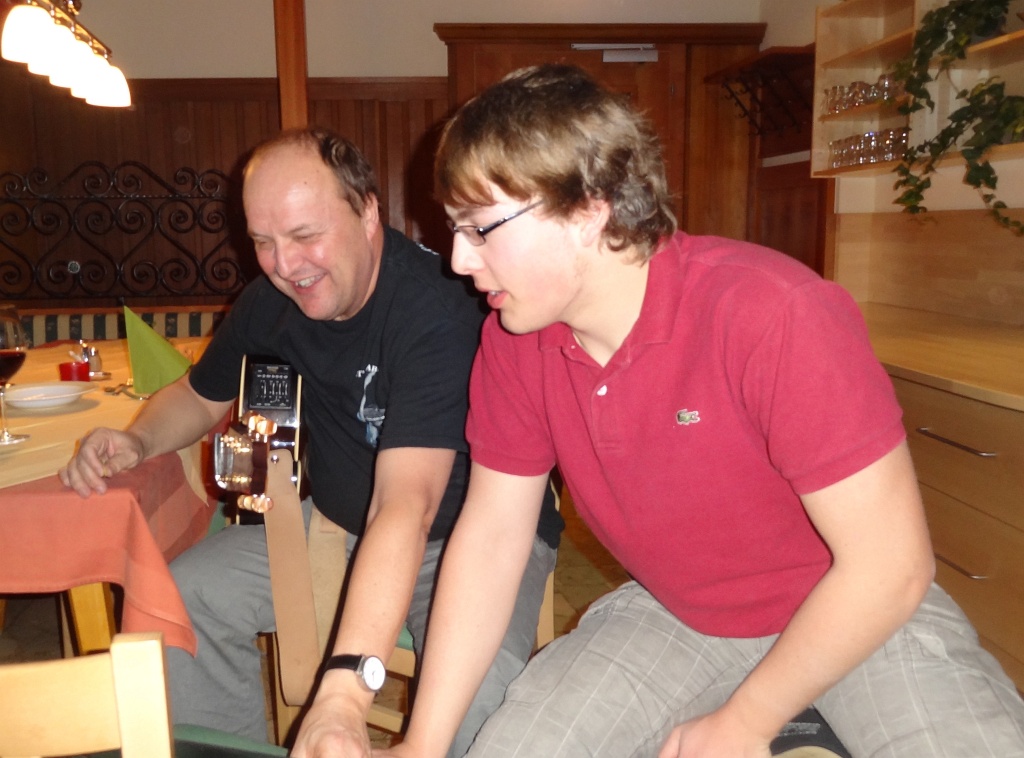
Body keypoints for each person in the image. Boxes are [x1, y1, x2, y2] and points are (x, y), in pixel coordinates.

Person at [377, 64, 1024, 758]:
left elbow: (890, 568)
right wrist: (423, 745)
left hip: (855, 612)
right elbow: (493, 539)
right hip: (677, 611)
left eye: (480, 229)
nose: (458, 260)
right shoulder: (516, 341)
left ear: (588, 210)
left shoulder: (772, 313)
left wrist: (747, 720)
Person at [58, 127, 562, 758]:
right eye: (263, 242)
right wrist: (137, 441)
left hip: (465, 539)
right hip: (333, 527)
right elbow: (198, 394)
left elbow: (406, 505)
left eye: (304, 235)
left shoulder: (436, 309)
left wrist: (342, 695)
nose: (285, 265)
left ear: (368, 212)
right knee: (184, 600)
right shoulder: (270, 301)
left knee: (476, 700)